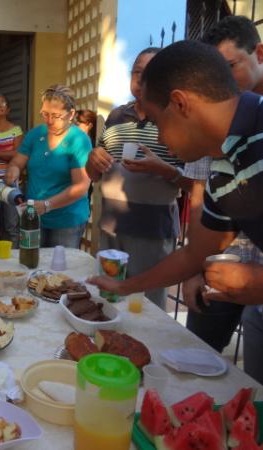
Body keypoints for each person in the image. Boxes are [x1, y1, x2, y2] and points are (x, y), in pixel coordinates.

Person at [87, 40, 263, 388]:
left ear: (180, 103)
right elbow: (194, 253)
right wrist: (125, 286)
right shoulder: (220, 168)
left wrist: (260, 284)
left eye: (156, 121)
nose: (156, 135)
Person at [182, 16, 263, 352]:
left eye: (231, 67)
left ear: (259, 53)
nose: (223, 85)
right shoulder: (215, 117)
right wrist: (194, 268)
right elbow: (198, 192)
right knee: (198, 355)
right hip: (224, 259)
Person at [85, 48, 190, 310]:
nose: (141, 80)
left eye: (150, 73)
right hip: (111, 230)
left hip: (152, 234)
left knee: (146, 309)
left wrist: (164, 169)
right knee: (107, 303)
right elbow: (93, 174)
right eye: (137, 72)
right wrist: (92, 159)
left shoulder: (177, 118)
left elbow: (195, 185)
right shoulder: (116, 116)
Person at [6, 84, 91, 248]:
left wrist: (47, 205)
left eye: (56, 116)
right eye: (45, 114)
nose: (49, 121)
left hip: (66, 220)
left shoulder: (79, 140)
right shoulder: (36, 134)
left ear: (71, 114)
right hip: (33, 217)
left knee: (58, 270)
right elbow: (17, 161)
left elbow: (81, 186)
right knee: (30, 263)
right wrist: (14, 169)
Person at [0, 93, 23, 246]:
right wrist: (5, 155)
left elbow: (18, 154)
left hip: (10, 180)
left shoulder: (16, 129)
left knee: (11, 223)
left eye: (3, 103)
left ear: (8, 109)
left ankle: (13, 257)